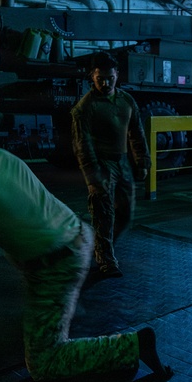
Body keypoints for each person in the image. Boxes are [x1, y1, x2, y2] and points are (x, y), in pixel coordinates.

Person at [0, 113, 169, 381]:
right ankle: (65, 320)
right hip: (77, 238)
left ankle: (131, 347)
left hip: (55, 266)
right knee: (45, 321)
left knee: (44, 361)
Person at [70, 52, 150, 280]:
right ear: (92, 77)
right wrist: (93, 177)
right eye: (100, 79)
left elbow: (137, 132)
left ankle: (100, 246)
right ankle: (106, 260)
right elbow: (82, 147)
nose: (105, 83)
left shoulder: (127, 101)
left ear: (117, 76)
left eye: (109, 79)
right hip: (101, 164)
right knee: (104, 213)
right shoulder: (84, 108)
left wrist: (142, 161)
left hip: (122, 162)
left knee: (125, 213)